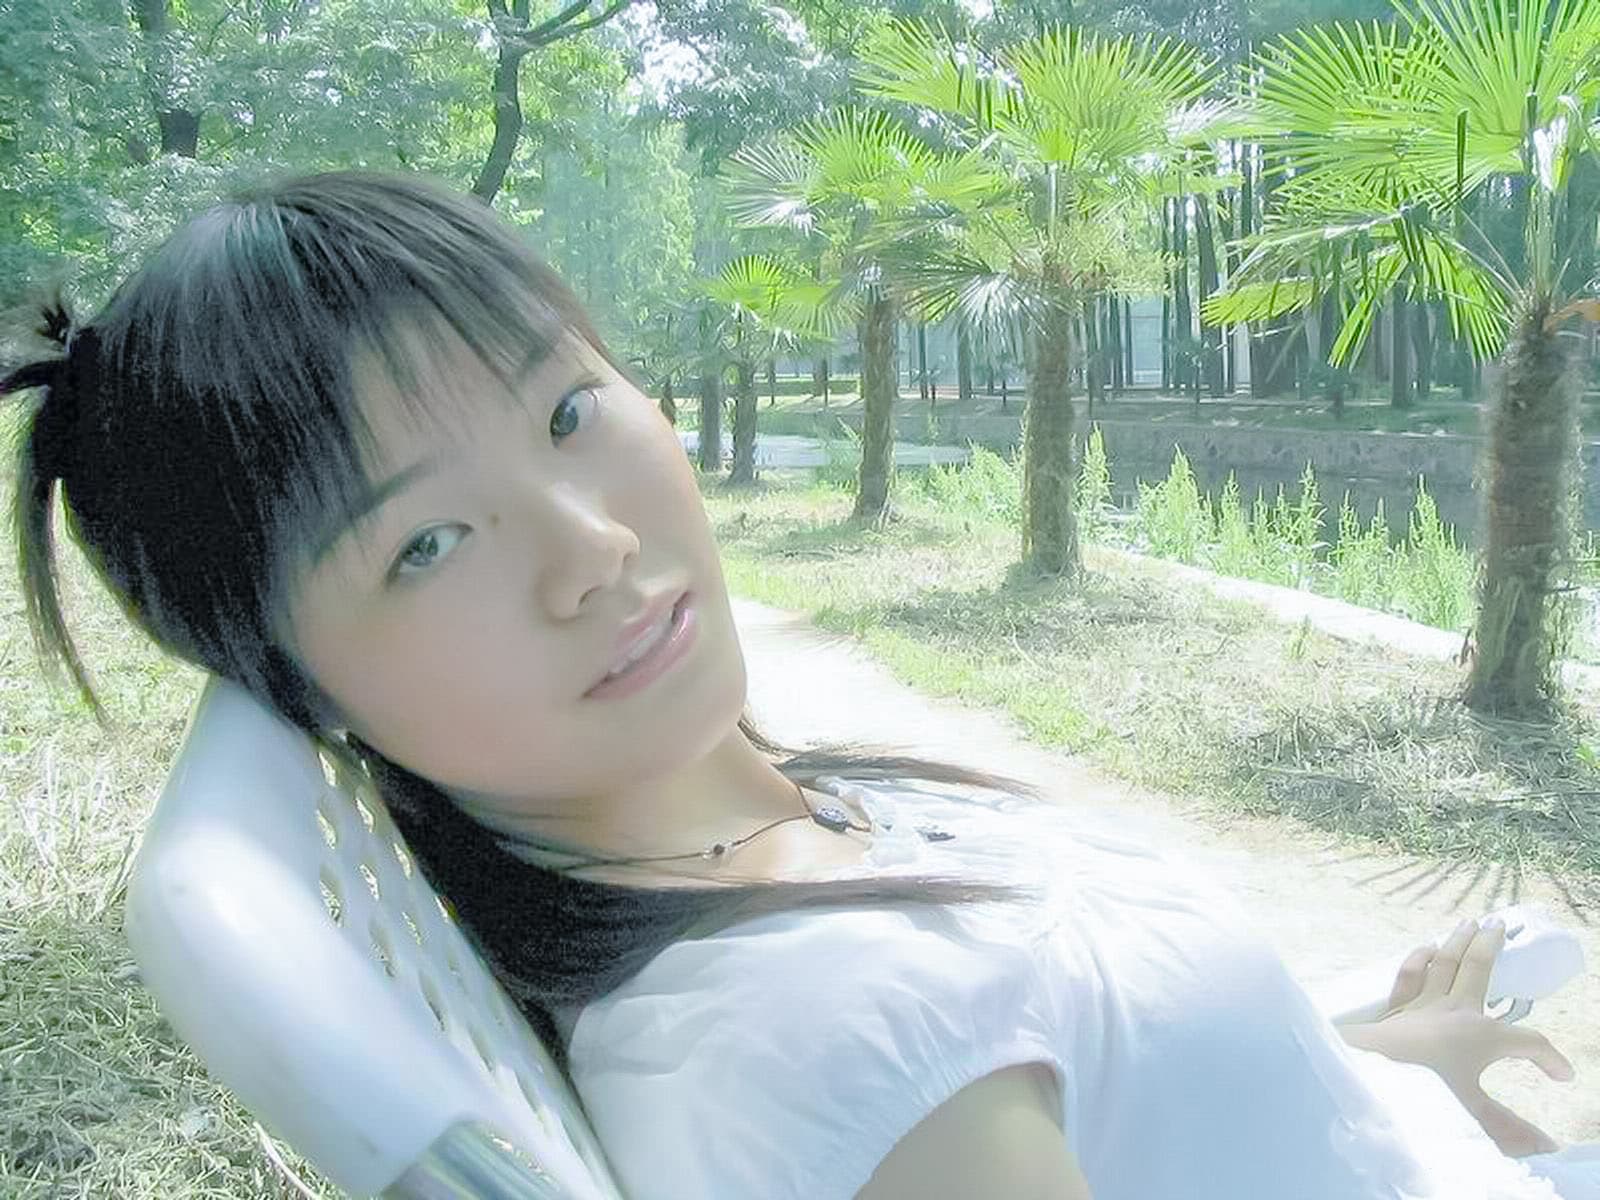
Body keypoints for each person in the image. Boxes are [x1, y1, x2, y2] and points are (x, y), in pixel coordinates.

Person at [2, 169, 1595, 1200]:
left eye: (567, 415)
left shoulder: (778, 828)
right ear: (302, 685)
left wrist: (1391, 1070)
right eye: (424, 544)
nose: (592, 548)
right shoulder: (824, 1048)